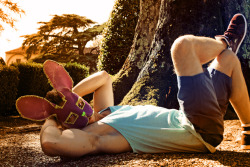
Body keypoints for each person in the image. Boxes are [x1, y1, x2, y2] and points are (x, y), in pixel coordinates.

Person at [40, 13, 250, 158]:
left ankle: (248, 129)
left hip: (196, 117)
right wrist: (53, 116)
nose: (78, 107)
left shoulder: (107, 112)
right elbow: (52, 143)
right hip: (197, 128)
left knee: (229, 60)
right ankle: (225, 41)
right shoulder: (99, 134)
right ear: (69, 126)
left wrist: (67, 95)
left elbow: (103, 78)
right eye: (73, 114)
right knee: (183, 47)